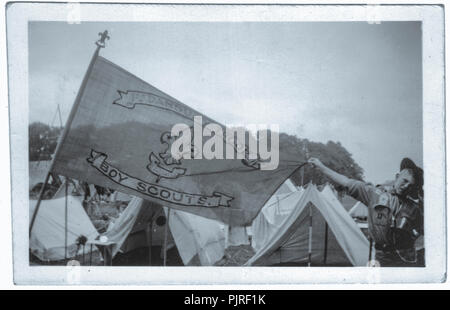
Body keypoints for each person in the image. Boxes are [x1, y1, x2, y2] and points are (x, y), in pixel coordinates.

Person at [308, 157, 423, 267]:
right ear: (397, 177)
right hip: (381, 256)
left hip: (406, 258)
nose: (406, 186)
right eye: (404, 181)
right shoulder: (375, 194)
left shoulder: (414, 207)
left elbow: (424, 230)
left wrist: (413, 235)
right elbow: (347, 182)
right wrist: (321, 166)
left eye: (410, 185)